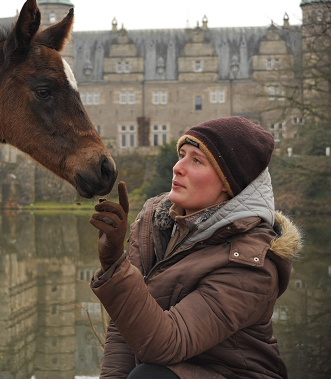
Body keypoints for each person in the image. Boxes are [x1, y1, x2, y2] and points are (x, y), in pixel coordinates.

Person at [89, 116, 303, 379]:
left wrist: (114, 264)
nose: (177, 167)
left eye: (197, 160)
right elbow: (123, 330)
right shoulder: (153, 224)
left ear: (229, 183)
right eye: (181, 155)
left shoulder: (252, 261)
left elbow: (166, 344)